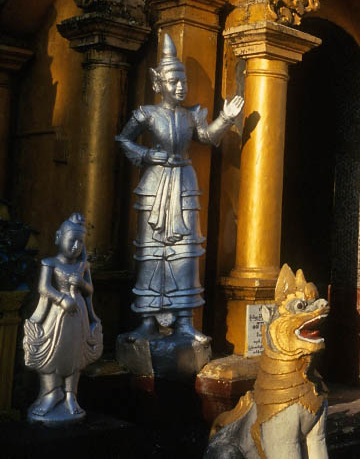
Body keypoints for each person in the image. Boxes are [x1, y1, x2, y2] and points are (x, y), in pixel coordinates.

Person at [116, 34, 244, 342]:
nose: (180, 87)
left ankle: (185, 321)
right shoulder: (146, 113)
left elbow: (209, 138)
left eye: (182, 82)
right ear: (158, 83)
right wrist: (147, 155)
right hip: (155, 184)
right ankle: (147, 321)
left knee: (186, 254)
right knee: (150, 253)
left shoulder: (191, 115)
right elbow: (123, 140)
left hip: (184, 184)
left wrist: (225, 118)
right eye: (173, 82)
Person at [23, 213, 102, 423]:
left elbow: (90, 289)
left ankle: (70, 396)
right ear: (59, 238)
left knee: (76, 355)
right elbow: (44, 287)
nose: (76, 246)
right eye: (71, 240)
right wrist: (60, 299)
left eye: (80, 242)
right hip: (57, 316)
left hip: (78, 315)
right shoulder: (50, 263)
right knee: (52, 354)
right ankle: (51, 394)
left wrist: (82, 283)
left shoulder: (83, 266)